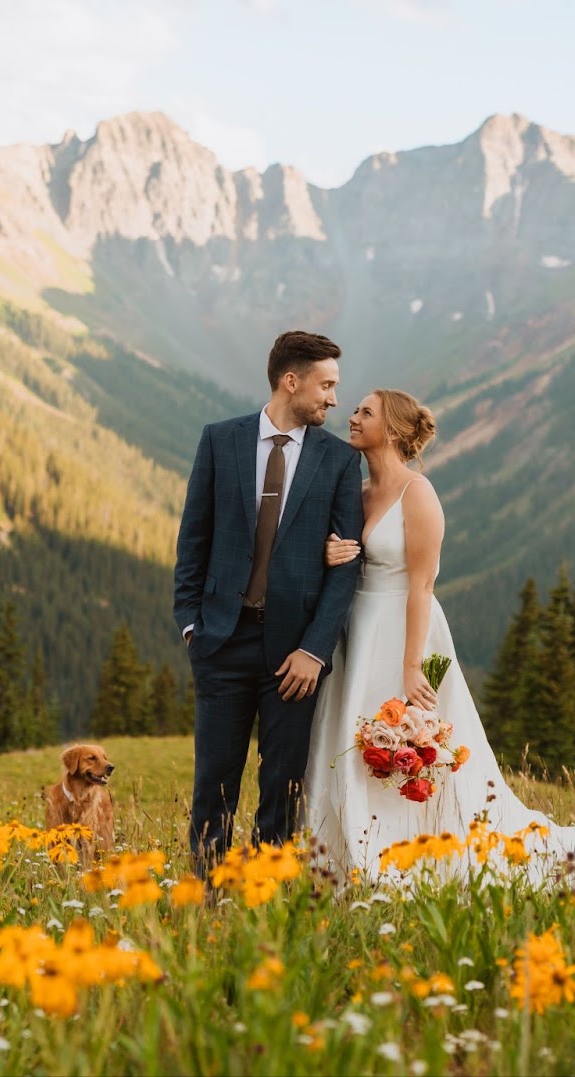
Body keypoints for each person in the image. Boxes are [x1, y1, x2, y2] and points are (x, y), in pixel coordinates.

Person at [303, 389, 575, 890]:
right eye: (354, 410)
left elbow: (421, 585)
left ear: (395, 430)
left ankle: (409, 855)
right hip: (356, 630)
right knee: (352, 742)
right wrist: (333, 552)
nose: (351, 417)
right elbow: (350, 556)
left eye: (365, 412)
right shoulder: (356, 493)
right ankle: (344, 855)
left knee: (407, 740)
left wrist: (411, 665)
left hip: (404, 630)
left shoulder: (417, 493)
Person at [174, 331, 364, 873]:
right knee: (213, 782)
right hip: (221, 641)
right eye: (326, 386)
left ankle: (262, 895)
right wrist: (192, 626)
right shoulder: (220, 440)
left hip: (294, 656)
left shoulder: (338, 461)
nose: (333, 399)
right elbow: (194, 541)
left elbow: (346, 566)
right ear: (291, 381)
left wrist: (315, 649)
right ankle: (205, 894)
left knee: (282, 784)